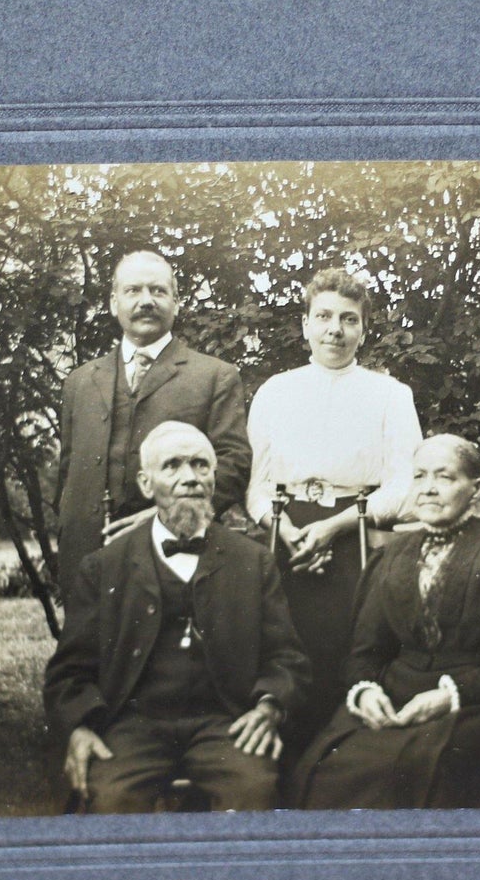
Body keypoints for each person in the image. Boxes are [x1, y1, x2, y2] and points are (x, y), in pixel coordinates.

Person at [44, 422, 308, 813]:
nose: (190, 478)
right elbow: (70, 670)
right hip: (133, 726)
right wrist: (80, 728)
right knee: (112, 798)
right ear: (146, 484)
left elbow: (286, 657)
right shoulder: (104, 567)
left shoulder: (252, 561)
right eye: (173, 466)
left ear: (214, 480)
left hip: (226, 722)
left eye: (201, 466)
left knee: (253, 792)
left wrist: (268, 707)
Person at [291, 435, 480, 810]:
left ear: (475, 489)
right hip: (397, 698)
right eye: (420, 477)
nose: (429, 489)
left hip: (478, 706)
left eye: (445, 478)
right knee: (333, 767)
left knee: (417, 770)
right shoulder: (393, 555)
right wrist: (366, 690)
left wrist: (450, 695)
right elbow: (365, 652)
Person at [244, 268, 422, 746]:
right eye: (323, 317)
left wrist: (336, 527)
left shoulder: (391, 395)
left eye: (348, 319)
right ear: (304, 324)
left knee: (351, 650)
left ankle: (345, 766)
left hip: (358, 535)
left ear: (364, 329)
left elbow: (404, 485)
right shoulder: (274, 392)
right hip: (287, 534)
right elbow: (255, 486)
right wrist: (284, 531)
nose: (334, 330)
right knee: (283, 646)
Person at [54, 250, 250, 575]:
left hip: (174, 552)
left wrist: (168, 514)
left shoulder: (215, 376)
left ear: (176, 301)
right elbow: (68, 475)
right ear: (114, 302)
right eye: (133, 291)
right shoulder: (80, 382)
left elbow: (233, 465)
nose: (146, 301)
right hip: (85, 561)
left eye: (157, 291)